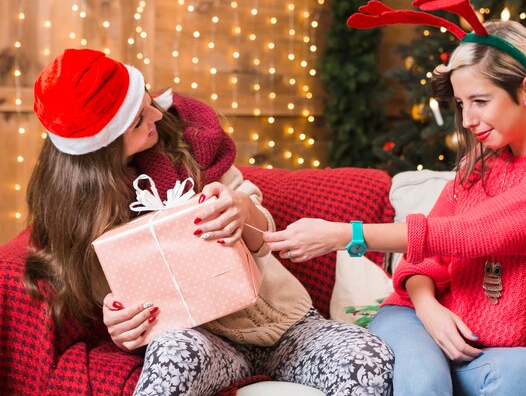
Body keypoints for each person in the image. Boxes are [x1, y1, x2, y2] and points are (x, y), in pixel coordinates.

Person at [263, 0, 526, 396]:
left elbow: (479, 230)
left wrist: (348, 233)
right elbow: (422, 262)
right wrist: (430, 311)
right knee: (428, 380)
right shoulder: (477, 169)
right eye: (462, 104)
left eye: (480, 101)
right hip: (413, 320)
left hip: (492, 352)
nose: (467, 121)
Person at [23, 48, 393, 396]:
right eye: (138, 120)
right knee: (172, 356)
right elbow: (113, 300)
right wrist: (122, 327)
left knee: (368, 357)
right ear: (103, 149)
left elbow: (266, 231)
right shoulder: (80, 216)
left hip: (285, 324)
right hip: (199, 341)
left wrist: (241, 208)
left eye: (148, 98)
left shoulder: (190, 146)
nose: (156, 114)